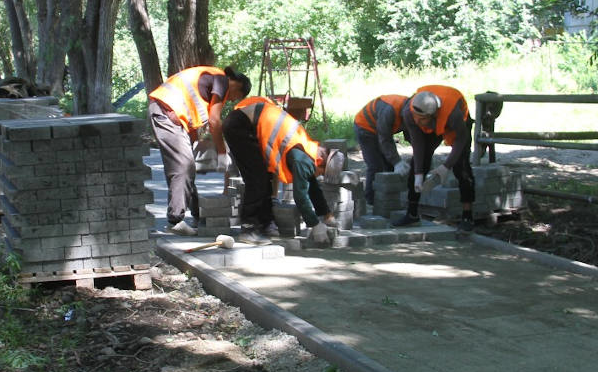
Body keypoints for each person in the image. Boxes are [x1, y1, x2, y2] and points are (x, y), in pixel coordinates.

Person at [224, 96, 345, 244]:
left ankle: (263, 224)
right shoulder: (302, 159)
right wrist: (314, 224)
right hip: (240, 125)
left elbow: (312, 186)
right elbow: (300, 197)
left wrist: (326, 215)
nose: (319, 175)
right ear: (321, 161)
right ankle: (248, 229)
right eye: (322, 172)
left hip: (246, 124)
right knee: (257, 180)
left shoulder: (308, 150)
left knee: (263, 179)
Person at [148, 65, 251, 235]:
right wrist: (221, 153)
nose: (232, 100)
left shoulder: (211, 79)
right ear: (237, 84)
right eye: (236, 96)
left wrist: (195, 142)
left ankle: (199, 214)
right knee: (183, 167)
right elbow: (214, 121)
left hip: (168, 113)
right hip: (165, 112)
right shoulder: (222, 80)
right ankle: (175, 221)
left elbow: (191, 111)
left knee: (186, 167)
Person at [393, 84, 476, 233]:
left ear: (433, 115)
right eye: (415, 118)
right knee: (419, 163)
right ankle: (412, 214)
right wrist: (418, 174)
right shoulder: (409, 112)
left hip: (459, 126)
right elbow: (418, 144)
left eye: (421, 119)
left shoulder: (454, 115)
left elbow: (461, 140)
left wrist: (446, 166)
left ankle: (467, 216)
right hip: (433, 121)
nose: (417, 121)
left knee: (461, 167)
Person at [353, 94, 410, 209]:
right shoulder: (389, 111)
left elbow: (411, 134)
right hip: (365, 127)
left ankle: (389, 200)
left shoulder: (411, 111)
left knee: (389, 165)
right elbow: (384, 138)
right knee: (375, 166)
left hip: (380, 129)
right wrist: (397, 161)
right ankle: (370, 200)